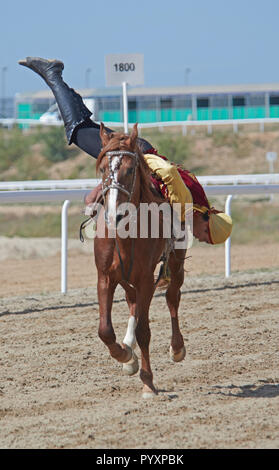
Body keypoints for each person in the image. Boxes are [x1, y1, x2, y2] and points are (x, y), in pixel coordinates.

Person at [18, 57, 232, 245]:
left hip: (139, 155)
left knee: (82, 128)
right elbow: (167, 171)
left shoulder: (195, 205)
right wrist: (136, 159)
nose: (198, 238)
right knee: (77, 131)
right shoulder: (187, 205)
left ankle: (58, 80)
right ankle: (52, 74)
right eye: (204, 236)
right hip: (137, 153)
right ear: (207, 223)